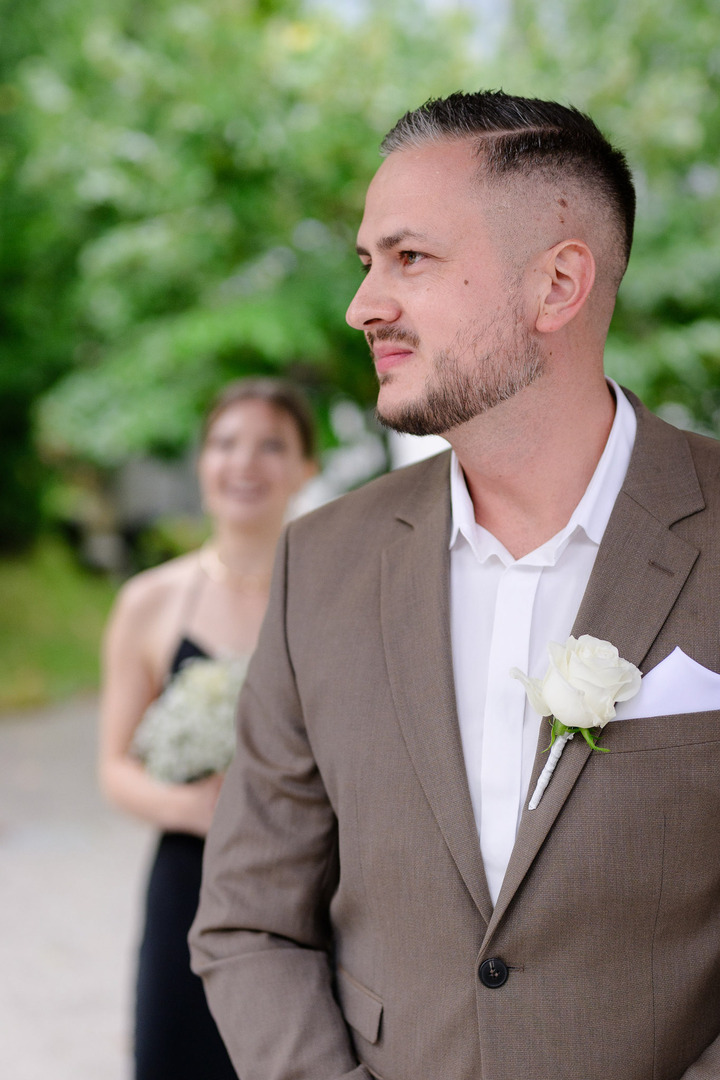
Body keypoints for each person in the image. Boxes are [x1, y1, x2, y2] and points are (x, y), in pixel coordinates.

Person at [189, 91, 720, 1080]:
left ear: (557, 284)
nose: (363, 306)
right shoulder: (323, 565)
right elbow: (250, 923)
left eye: (410, 259)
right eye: (366, 264)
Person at [98, 377, 317, 1080]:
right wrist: (196, 807)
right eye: (226, 443)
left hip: (312, 881)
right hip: (190, 886)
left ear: (305, 468)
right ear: (201, 462)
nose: (245, 464)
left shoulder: (334, 592)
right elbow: (114, 766)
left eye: (271, 445)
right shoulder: (150, 602)